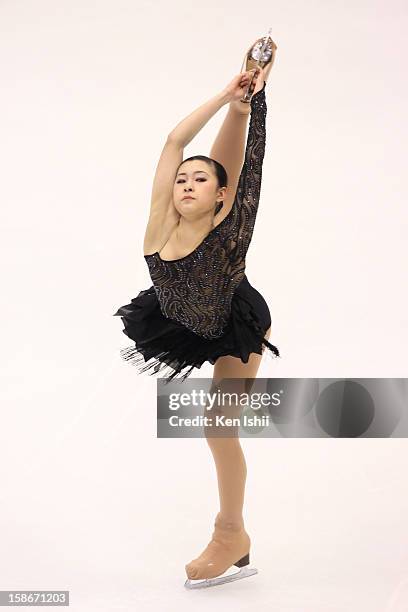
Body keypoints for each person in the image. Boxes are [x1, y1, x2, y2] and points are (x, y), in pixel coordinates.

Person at [114, 35, 280, 588]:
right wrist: (225, 92)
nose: (186, 183)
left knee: (216, 426)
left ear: (219, 198)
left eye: (200, 180)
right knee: (200, 159)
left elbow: (236, 162)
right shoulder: (159, 226)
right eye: (182, 178)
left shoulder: (226, 228)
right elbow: (173, 142)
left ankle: (230, 531)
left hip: (235, 319)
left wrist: (247, 104)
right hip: (180, 318)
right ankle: (231, 534)